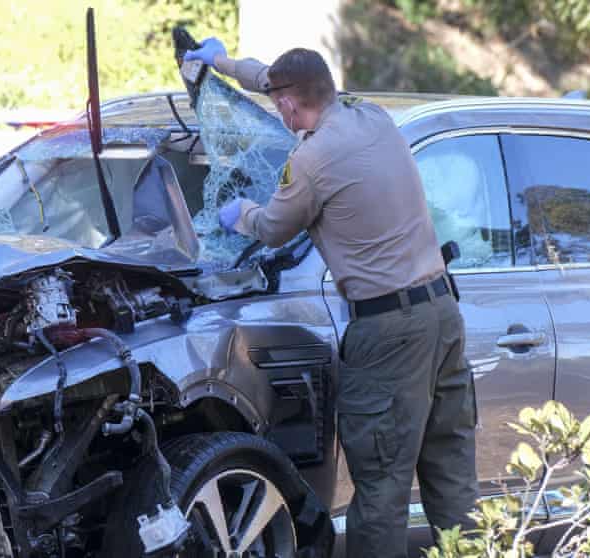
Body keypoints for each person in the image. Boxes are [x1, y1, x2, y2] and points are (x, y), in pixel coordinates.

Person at [184, 39, 478, 557]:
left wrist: (240, 213)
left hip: (389, 335)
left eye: (279, 103)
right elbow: (278, 82)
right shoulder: (374, 118)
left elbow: (273, 229)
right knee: (452, 483)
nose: (278, 109)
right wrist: (225, 65)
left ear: (289, 105)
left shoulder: (312, 160)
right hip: (443, 316)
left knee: (382, 492)